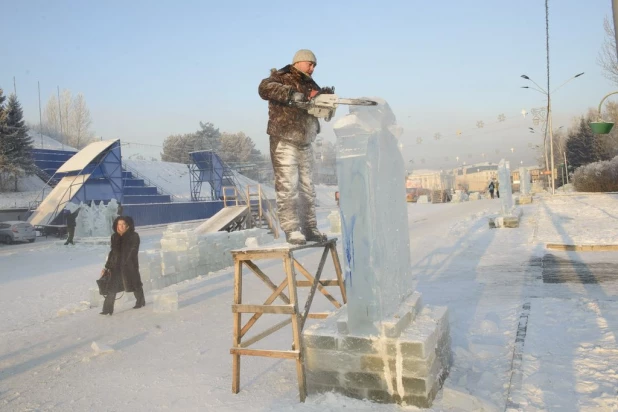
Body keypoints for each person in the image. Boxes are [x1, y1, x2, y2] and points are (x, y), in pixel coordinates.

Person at [258, 49, 333, 245]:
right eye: (310, 63)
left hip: (306, 140)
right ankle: (292, 229)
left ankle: (310, 228)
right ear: (299, 62)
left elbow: (316, 110)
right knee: (288, 186)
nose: (313, 68)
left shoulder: (311, 84)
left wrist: (325, 102)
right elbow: (264, 88)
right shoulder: (282, 77)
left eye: (315, 65)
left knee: (307, 188)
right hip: (284, 137)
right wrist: (292, 94)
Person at [99, 216, 145, 315]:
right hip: (115, 267)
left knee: (134, 284)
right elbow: (113, 252)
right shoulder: (114, 237)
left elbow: (134, 250)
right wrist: (106, 267)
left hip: (129, 265)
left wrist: (126, 262)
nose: (121, 226)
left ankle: (140, 301)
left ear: (128, 225)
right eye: (119, 224)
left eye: (123, 224)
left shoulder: (134, 236)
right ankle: (107, 309)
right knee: (111, 287)